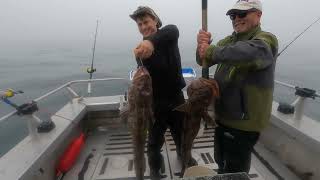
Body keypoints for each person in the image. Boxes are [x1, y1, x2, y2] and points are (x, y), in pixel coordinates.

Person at [196, 0, 278, 174]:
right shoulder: (230, 40)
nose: (236, 19)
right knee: (221, 160)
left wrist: (211, 50)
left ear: (258, 15)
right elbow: (205, 60)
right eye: (233, 15)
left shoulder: (266, 40)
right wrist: (202, 48)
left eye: (242, 14)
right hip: (223, 116)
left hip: (243, 123)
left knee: (235, 169)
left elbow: (250, 53)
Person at [130, 6, 188, 179]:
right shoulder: (140, 51)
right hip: (155, 103)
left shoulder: (168, 36)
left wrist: (151, 42)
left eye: (146, 22)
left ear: (155, 20)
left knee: (181, 133)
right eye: (139, 24)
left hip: (177, 98)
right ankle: (155, 168)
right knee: (154, 141)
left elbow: (173, 30)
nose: (143, 27)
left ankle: (184, 156)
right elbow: (144, 79)